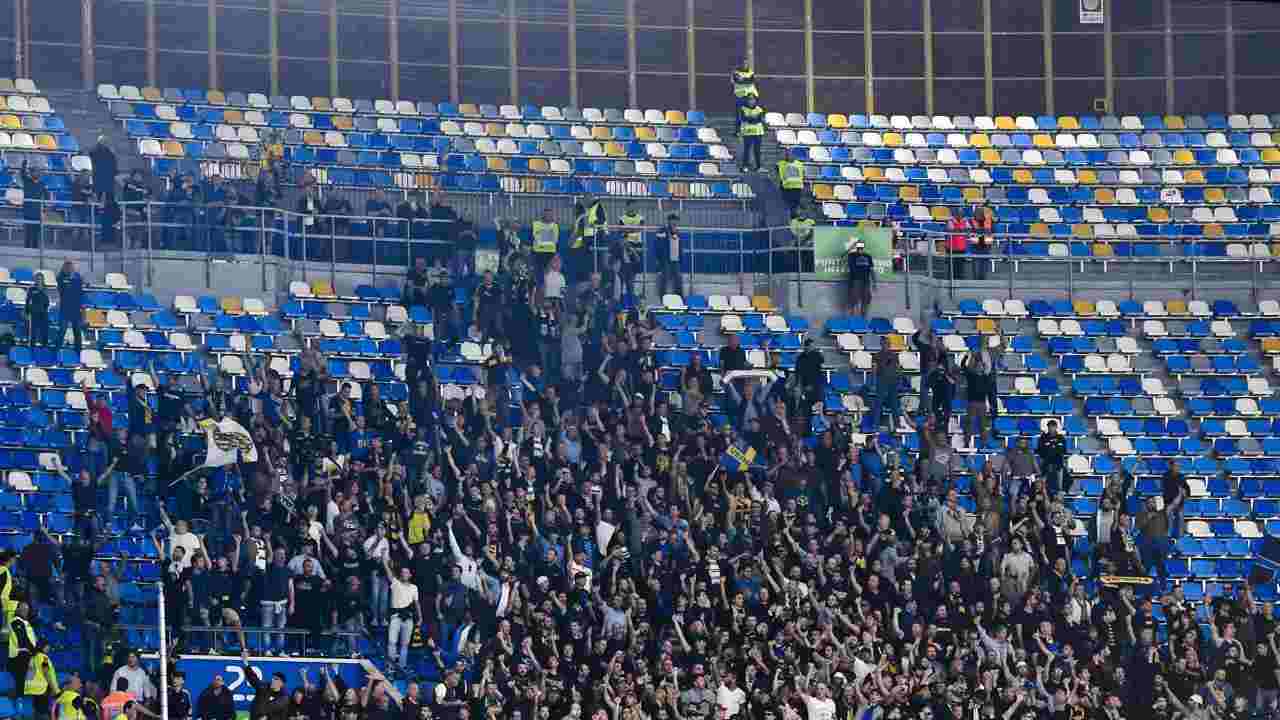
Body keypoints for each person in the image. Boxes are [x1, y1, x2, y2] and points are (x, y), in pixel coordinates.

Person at [241, 648, 289, 720]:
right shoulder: (264, 687)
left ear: (281, 683)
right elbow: (253, 678)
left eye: (276, 679)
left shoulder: (284, 697)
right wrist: (245, 662)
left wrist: (266, 716)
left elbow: (276, 709)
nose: (273, 680)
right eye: (273, 678)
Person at [55, 260, 84, 353]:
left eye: (71, 268)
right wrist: (70, 280)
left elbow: (80, 293)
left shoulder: (78, 279)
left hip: (75, 309)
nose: (69, 269)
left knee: (77, 332)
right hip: (65, 309)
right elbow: (62, 290)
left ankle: (78, 352)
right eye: (67, 268)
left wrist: (82, 310)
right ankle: (57, 350)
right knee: (62, 331)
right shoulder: (61, 279)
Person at [654, 213, 683, 297]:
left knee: (678, 280)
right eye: (674, 220)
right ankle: (663, 299)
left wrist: (680, 258)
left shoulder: (677, 231)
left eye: (676, 220)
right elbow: (658, 244)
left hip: (675, 259)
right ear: (669, 221)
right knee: (664, 281)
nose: (675, 222)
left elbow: (679, 245)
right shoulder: (662, 230)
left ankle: (679, 299)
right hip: (665, 260)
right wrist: (659, 259)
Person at [20, 160, 47, 249]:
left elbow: (46, 198)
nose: (35, 173)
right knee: (28, 233)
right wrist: (24, 164)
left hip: (37, 212)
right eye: (33, 171)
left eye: (37, 171)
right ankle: (27, 250)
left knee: (35, 234)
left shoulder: (42, 184)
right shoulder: (27, 181)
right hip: (28, 211)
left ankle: (35, 250)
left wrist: (44, 211)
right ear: (31, 173)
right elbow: (22, 173)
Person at [846, 239, 874, 318]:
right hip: (855, 280)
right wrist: (852, 246)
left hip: (866, 281)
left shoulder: (868, 256)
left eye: (861, 246)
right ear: (856, 247)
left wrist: (874, 282)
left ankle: (863, 318)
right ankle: (853, 318)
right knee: (854, 300)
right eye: (858, 246)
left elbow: (871, 270)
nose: (860, 248)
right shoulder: (851, 255)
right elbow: (842, 256)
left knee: (866, 300)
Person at [738, 95, 765, 172]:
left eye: (753, 99)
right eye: (749, 99)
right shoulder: (743, 109)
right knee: (747, 150)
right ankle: (744, 166)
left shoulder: (759, 109)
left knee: (757, 150)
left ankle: (758, 167)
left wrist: (750, 118)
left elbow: (759, 120)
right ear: (747, 100)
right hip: (747, 132)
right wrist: (753, 118)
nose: (751, 101)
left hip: (758, 132)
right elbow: (744, 119)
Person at [530, 208, 560, 278]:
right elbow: (532, 239)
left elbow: (556, 241)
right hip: (538, 254)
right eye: (546, 214)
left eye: (550, 214)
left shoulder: (555, 226)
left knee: (549, 275)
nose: (548, 216)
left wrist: (556, 254)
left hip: (551, 254)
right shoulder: (535, 224)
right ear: (543, 215)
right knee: (538, 274)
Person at [776, 149, 805, 214]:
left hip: (797, 188)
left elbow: (803, 174)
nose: (788, 156)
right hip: (786, 188)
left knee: (794, 206)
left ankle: (793, 218)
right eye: (787, 154)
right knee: (786, 206)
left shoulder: (800, 164)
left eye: (789, 154)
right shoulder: (781, 163)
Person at [26, 274, 50, 348]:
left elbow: (47, 302)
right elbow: (28, 301)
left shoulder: (46, 289)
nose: (39, 280)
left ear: (43, 280)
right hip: (34, 313)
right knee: (33, 332)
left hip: (43, 313)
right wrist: (27, 312)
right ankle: (32, 348)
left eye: (40, 279)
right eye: (37, 279)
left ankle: (44, 347)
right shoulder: (31, 289)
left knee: (44, 332)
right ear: (35, 280)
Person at [947, 210, 970, 280]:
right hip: (952, 247)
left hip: (961, 247)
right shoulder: (950, 221)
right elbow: (952, 230)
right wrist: (960, 227)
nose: (960, 215)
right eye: (958, 214)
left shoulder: (965, 221)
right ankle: (951, 279)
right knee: (952, 265)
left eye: (961, 214)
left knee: (960, 265)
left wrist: (962, 227)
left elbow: (968, 230)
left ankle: (960, 279)